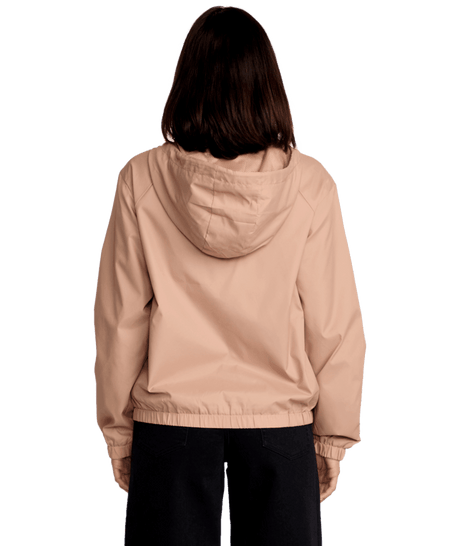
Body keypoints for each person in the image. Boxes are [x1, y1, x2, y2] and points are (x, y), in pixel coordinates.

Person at [93, 5, 367, 546]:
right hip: (279, 420)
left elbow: (120, 319)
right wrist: (331, 437)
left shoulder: (141, 179)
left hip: (170, 420)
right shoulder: (309, 186)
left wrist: (119, 430)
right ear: (268, 87)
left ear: (186, 83)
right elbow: (334, 324)